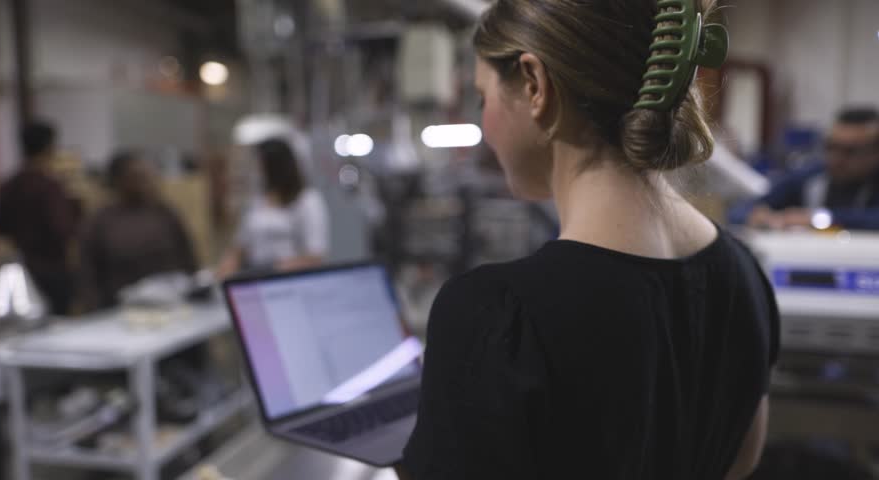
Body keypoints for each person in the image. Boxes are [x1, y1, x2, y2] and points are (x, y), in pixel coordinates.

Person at [397, 1, 779, 479]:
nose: (485, 124)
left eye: (482, 97)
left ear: (534, 85)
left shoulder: (494, 314)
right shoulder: (744, 276)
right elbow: (741, 463)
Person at [79, 151, 197, 309]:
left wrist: (195, 290)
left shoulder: (164, 212)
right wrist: (95, 308)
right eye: (137, 177)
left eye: (148, 175)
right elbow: (88, 273)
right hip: (122, 311)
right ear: (118, 181)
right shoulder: (100, 221)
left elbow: (188, 256)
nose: (146, 182)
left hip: (174, 303)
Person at [730, 107, 879, 230]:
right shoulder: (811, 177)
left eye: (850, 151)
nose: (836, 158)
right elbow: (739, 211)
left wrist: (817, 219)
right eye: (831, 147)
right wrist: (756, 216)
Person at [0, 120, 82, 315]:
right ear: (50, 148)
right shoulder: (50, 187)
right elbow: (62, 229)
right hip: (53, 270)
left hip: (22, 268)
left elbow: (1, 230)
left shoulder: (9, 186)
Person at [219, 138, 329, 276]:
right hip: (254, 275)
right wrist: (225, 270)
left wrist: (273, 270)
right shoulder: (257, 202)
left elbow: (315, 256)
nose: (257, 172)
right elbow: (240, 247)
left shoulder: (307, 201)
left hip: (289, 277)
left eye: (260, 167)